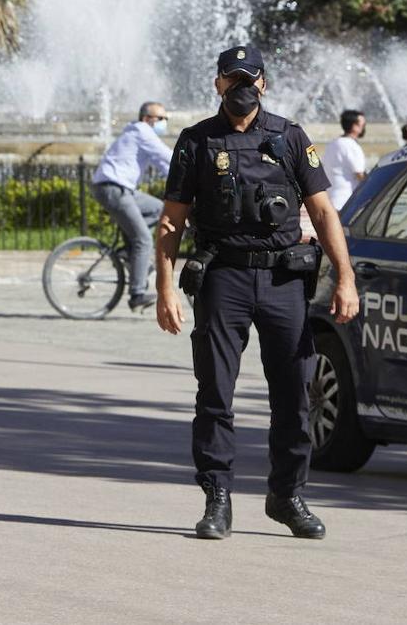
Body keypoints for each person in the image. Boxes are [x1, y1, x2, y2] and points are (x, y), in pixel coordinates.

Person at [154, 45, 359, 541]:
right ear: (218, 84)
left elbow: (326, 212)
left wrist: (345, 277)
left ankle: (287, 496)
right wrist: (166, 290)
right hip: (223, 278)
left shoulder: (289, 137)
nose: (242, 87)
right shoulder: (197, 141)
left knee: (295, 393)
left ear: (264, 83)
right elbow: (171, 220)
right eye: (233, 78)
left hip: (284, 281)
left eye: (250, 78)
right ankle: (217, 497)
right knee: (216, 392)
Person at [91, 101, 173, 310]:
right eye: (161, 118)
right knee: (144, 240)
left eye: (166, 119)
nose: (165, 123)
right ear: (147, 119)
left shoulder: (142, 135)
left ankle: (129, 254)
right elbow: (168, 157)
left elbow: (165, 167)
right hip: (113, 187)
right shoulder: (142, 131)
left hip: (122, 189)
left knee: (160, 209)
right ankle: (137, 294)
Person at [320, 109, 366, 210]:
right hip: (347, 201)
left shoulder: (332, 144)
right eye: (362, 125)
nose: (363, 128)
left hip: (332, 201)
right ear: (354, 126)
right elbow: (360, 175)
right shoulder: (352, 146)